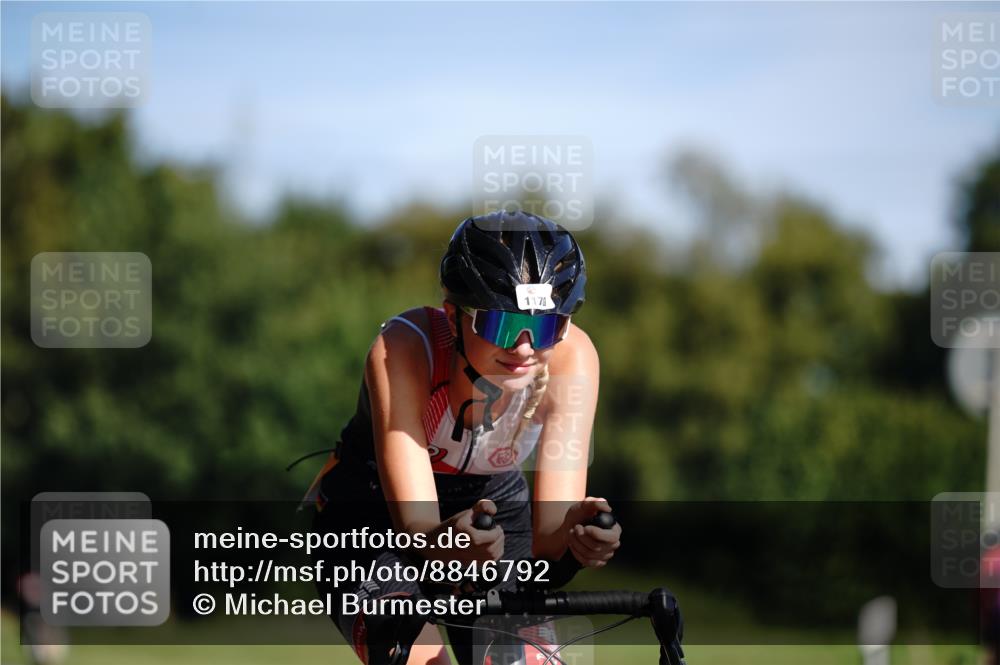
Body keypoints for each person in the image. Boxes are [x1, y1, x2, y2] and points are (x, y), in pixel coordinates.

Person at [304, 210, 620, 665]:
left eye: (549, 325)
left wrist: (580, 535)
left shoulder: (573, 360)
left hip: (493, 507)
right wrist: (446, 545)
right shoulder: (404, 349)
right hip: (371, 517)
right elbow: (418, 531)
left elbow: (549, 543)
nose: (526, 347)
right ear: (454, 316)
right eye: (504, 325)